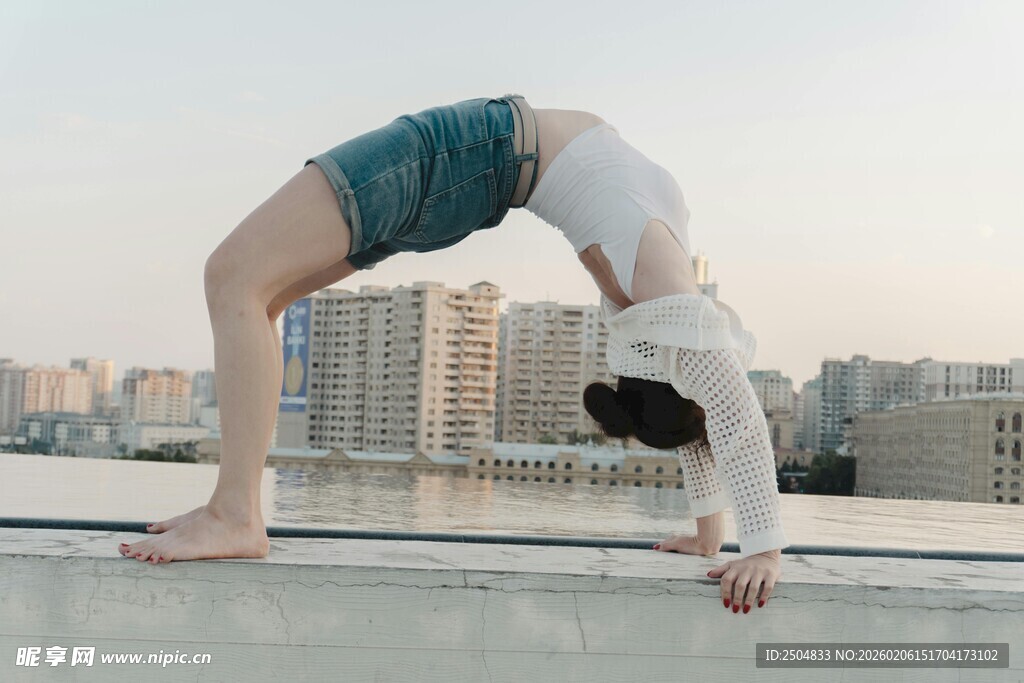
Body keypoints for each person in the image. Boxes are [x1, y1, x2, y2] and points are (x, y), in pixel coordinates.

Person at [117, 93, 786, 612]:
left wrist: (750, 547)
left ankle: (235, 513)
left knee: (233, 274)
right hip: (482, 167)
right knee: (257, 291)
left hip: (475, 154)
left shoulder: (662, 286)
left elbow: (720, 416)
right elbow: (718, 416)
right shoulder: (661, 295)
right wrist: (722, 539)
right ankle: (233, 509)